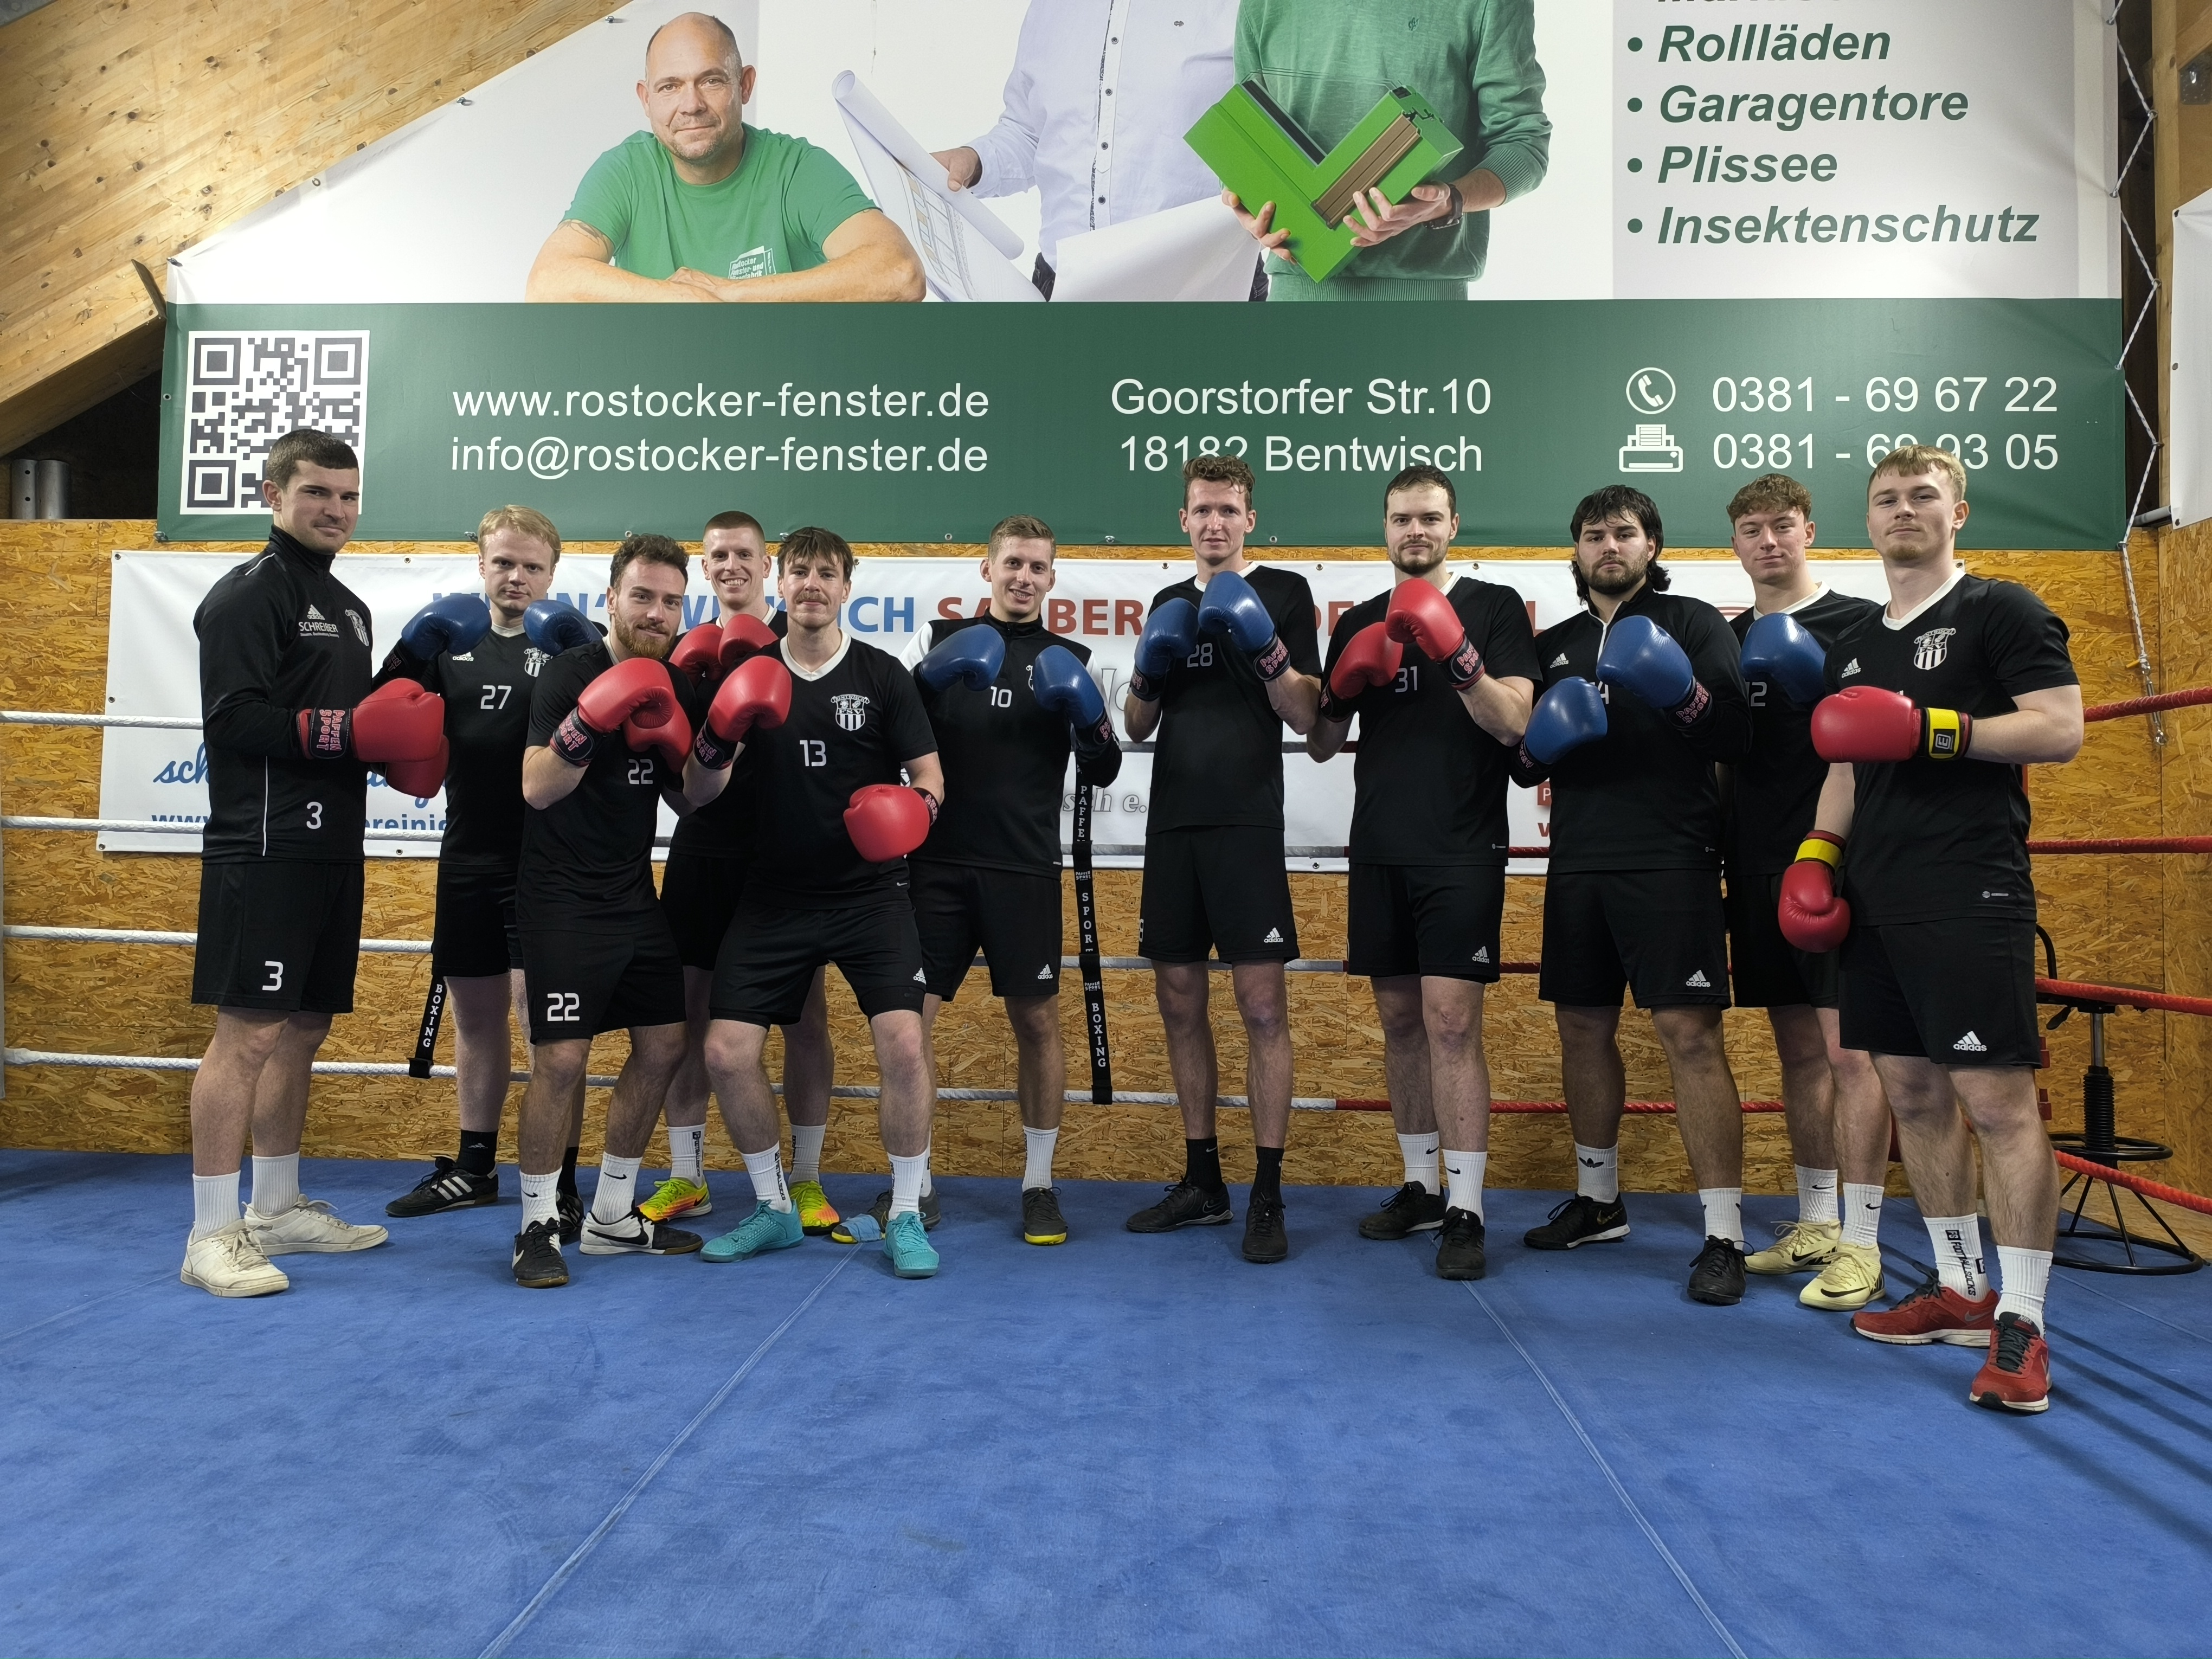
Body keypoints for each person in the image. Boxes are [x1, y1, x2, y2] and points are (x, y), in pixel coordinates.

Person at [1784, 445, 2082, 1412]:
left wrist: (1935, 729)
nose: (1903, 510)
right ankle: (1960, 1289)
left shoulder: (2001, 610)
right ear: (1868, 521)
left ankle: (2023, 1324)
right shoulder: (1853, 643)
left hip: (1969, 890)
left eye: (1923, 496)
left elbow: (2060, 727)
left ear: (1959, 512)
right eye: (1887, 499)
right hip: (1876, 898)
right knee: (1911, 1094)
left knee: (1997, 1104)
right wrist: (1818, 854)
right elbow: (1845, 765)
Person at [182, 428, 443, 1296]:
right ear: (274, 495)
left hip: (334, 842)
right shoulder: (247, 595)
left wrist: (391, 744)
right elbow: (232, 719)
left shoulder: (352, 609)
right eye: (317, 493)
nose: (336, 509)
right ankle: (211, 1234)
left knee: (303, 1029)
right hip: (265, 843)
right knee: (248, 1034)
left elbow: (353, 731)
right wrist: (349, 730)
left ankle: (276, 1207)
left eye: (347, 495)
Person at [1510, 486, 1755, 1304]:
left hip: (1672, 857)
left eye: (1624, 533)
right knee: (1582, 1029)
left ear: (1652, 544)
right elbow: (1522, 763)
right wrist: (1542, 742)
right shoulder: (1555, 645)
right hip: (1580, 861)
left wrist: (1681, 693)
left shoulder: (1694, 623)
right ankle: (1599, 1200)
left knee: (1691, 1036)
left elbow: (1736, 737)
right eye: (1593, 535)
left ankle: (1724, 1233)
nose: (1608, 546)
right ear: (1576, 550)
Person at [687, 527, 949, 1279]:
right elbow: (699, 792)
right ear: (781, 582)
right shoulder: (752, 675)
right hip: (774, 894)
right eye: (799, 571)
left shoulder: (882, 675)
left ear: (845, 588)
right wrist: (720, 732)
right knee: (724, 1053)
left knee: (905, 1045)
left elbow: (931, 777)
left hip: (870, 895)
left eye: (826, 573)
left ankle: (905, 1212)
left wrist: (913, 813)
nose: (811, 584)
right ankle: (774, 1207)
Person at [1308, 465, 1537, 1278]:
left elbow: (1517, 723)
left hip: (1461, 846)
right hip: (1380, 846)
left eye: (1430, 518)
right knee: (1401, 1023)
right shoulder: (1359, 619)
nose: (1416, 531)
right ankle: (1419, 1186)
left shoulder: (1494, 608)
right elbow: (1322, 743)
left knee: (1451, 1024)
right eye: (1403, 518)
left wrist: (1457, 653)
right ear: (1385, 527)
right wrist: (1342, 684)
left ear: (1453, 525)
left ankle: (1467, 1208)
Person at [901, 513, 1122, 1245]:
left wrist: (1090, 721)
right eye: (1013, 564)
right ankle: (912, 1185)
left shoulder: (1070, 658)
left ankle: (1038, 1183)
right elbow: (886, 734)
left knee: (1036, 1023)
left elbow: (1104, 769)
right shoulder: (935, 642)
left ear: (1052, 578)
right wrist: (925, 683)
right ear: (987, 569)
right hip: (935, 865)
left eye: (1037, 567)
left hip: (1023, 868)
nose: (1024, 577)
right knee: (911, 1026)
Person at [1122, 453, 1321, 1263]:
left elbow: (1307, 715)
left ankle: (1267, 1192)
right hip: (1174, 825)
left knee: (1263, 1008)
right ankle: (1203, 1181)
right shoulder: (1168, 604)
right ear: (1184, 520)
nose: (1214, 522)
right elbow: (1137, 725)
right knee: (1179, 1004)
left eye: (1228, 509)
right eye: (1202, 509)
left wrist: (1266, 645)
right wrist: (1148, 668)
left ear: (1250, 520)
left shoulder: (1285, 593)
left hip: (1246, 824)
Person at [381, 507, 594, 1231]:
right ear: (481, 565)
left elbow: (625, 720)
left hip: (548, 862)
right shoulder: (446, 639)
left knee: (548, 1027)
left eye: (532, 566)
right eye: (504, 562)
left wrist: (590, 653)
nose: (516, 577)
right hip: (468, 852)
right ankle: (475, 1167)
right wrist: (409, 651)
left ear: (553, 573)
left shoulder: (571, 645)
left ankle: (562, 1179)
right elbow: (378, 718)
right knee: (475, 1016)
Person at [508, 535, 710, 1288]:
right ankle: (536, 1225)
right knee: (562, 1061)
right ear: (612, 600)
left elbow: (692, 800)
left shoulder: (675, 682)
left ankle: (614, 1215)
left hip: (631, 894)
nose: (656, 613)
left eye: (670, 602)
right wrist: (593, 719)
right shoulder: (571, 673)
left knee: (664, 1046)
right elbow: (537, 786)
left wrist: (720, 742)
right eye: (642, 597)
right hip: (560, 897)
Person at [1719, 474, 1894, 1311]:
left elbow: (1880, 737)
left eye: (1783, 525)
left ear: (1810, 532)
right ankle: (1819, 1223)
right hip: (1755, 862)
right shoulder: (1725, 640)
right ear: (1735, 543)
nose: (1769, 541)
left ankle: (1864, 1240)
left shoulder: (1858, 625)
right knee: (1798, 1052)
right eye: (1752, 529)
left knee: (1850, 1052)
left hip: (1837, 861)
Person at [650, 510, 838, 1234]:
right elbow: (671, 775)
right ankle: (688, 1175)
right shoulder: (684, 655)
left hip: (782, 855)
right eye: (719, 555)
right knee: (690, 1013)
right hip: (703, 850)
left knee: (805, 1018)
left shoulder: (800, 646)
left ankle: (808, 1178)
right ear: (705, 568)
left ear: (769, 568)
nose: (732, 566)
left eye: (745, 555)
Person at [526, 11, 923, 303]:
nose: (691, 105)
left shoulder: (797, 169)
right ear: (646, 100)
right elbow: (547, 283)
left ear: (744, 85)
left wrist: (730, 294)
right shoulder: (625, 173)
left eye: (711, 81)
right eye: (669, 87)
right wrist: (679, 298)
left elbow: (900, 273)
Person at [929, 0, 1257, 298]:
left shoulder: (1242, 7)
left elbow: (1277, 132)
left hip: (1203, 290)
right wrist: (973, 161)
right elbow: (1029, 132)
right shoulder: (1049, 9)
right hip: (1061, 288)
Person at [1225, 0, 1550, 300]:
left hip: (1425, 301)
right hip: (1294, 292)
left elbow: (1524, 142)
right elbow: (1243, 131)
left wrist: (1449, 201)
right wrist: (1245, 203)